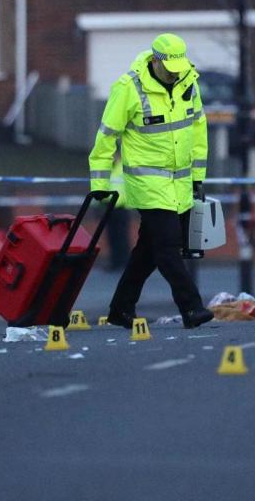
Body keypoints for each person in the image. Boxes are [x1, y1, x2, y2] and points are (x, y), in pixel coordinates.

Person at [88, 33, 214, 329]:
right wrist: (99, 181)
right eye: (169, 67)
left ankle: (120, 309)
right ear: (155, 60)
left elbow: (198, 131)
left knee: (149, 250)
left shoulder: (188, 82)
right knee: (168, 247)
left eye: (178, 67)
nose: (174, 73)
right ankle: (192, 307)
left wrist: (198, 178)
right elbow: (107, 136)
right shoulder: (128, 88)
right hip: (147, 185)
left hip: (180, 183)